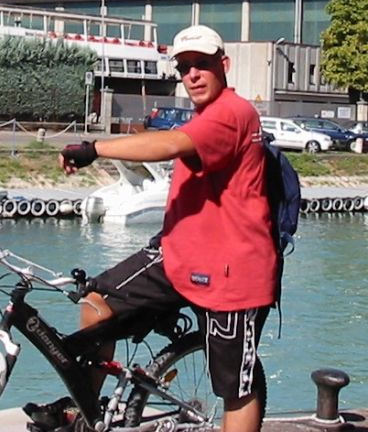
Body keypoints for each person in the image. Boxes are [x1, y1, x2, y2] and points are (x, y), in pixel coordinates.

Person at [59, 25, 278, 432]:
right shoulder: (205, 115)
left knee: (236, 387)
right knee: (96, 304)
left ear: (224, 65)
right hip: (178, 256)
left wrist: (94, 149)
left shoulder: (233, 113)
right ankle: (86, 415)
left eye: (202, 64)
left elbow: (170, 144)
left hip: (232, 273)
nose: (192, 74)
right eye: (184, 67)